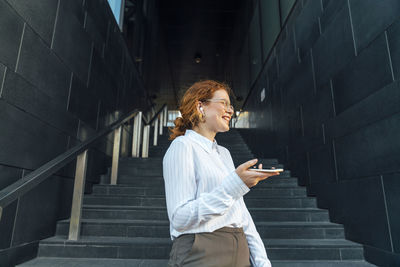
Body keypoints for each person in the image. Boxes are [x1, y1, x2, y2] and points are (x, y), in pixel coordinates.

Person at [163, 80, 281, 267]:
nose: (230, 110)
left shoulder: (224, 154)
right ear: (200, 106)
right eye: (223, 103)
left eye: (230, 105)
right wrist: (234, 185)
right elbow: (180, 218)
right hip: (202, 250)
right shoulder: (182, 146)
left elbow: (241, 213)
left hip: (240, 249)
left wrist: (262, 262)